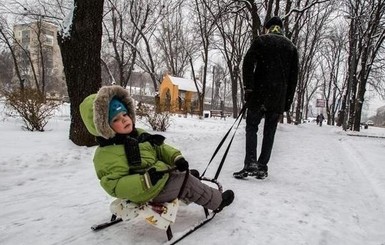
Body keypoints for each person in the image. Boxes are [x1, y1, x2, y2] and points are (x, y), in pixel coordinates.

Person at [79, 85, 234, 213]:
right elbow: (115, 186)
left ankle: (183, 180)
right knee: (187, 182)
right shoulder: (106, 155)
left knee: (183, 173)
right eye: (116, 119)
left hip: (159, 179)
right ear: (104, 127)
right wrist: (144, 181)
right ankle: (217, 201)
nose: (124, 119)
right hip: (146, 192)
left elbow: (159, 149)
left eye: (125, 114)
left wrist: (176, 158)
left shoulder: (137, 135)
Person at [233, 16, 299, 180]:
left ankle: (250, 163)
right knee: (270, 132)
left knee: (252, 127)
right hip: (278, 97)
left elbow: (247, 62)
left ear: (268, 28)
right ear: (281, 28)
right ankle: (262, 167)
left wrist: (248, 87)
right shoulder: (291, 47)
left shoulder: (261, 41)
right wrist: (287, 102)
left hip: (259, 93)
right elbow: (294, 78)